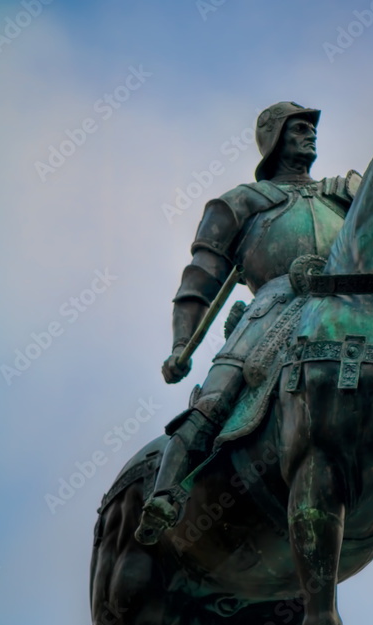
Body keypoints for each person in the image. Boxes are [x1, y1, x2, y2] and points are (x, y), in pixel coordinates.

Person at [135, 101, 361, 544]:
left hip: (347, 304)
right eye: (298, 128)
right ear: (275, 139)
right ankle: (165, 493)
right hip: (274, 306)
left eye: (311, 128)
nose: (310, 135)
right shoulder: (240, 204)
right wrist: (182, 344)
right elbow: (198, 281)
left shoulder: (345, 194)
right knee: (217, 398)